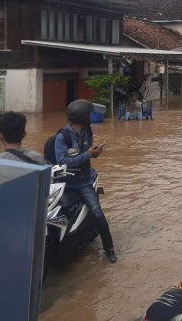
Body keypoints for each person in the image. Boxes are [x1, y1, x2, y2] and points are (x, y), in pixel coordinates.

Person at [54, 99, 116, 263]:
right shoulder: (63, 137)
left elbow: (88, 155)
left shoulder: (87, 131)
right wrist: (88, 154)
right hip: (66, 183)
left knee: (98, 214)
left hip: (84, 182)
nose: (91, 116)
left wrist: (95, 152)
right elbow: (63, 163)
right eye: (88, 114)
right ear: (82, 117)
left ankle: (109, 249)